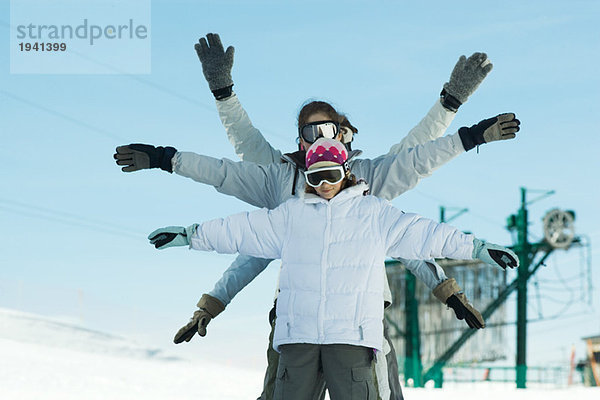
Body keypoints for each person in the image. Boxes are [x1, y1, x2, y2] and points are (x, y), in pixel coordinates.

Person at [147, 138, 519, 400]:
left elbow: (427, 236)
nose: (323, 185)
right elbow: (239, 231)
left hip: (353, 339)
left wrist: (478, 249)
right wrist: (189, 235)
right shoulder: (290, 216)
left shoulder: (374, 213)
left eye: (330, 174)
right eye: (314, 176)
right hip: (298, 337)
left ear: (345, 172)